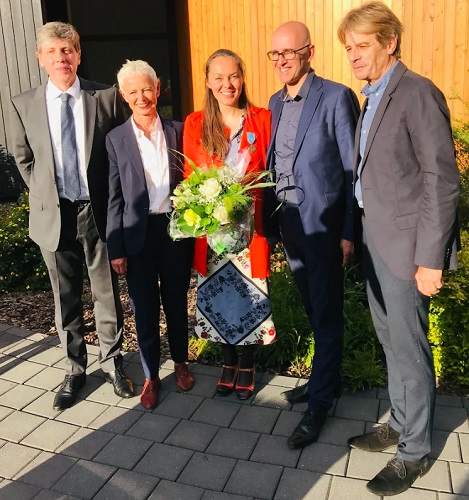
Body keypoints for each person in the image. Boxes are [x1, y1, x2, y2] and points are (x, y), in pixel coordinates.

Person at [337, 2, 460, 496]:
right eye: (348, 48)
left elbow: (442, 181)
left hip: (408, 247)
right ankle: (401, 422)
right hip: (375, 236)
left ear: (390, 42)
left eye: (362, 46)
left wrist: (431, 257)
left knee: (409, 346)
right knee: (391, 340)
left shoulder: (417, 93)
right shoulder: (374, 95)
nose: (353, 56)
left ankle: (414, 452)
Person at [10, 22, 134, 411]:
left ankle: (112, 362)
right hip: (55, 214)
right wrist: (46, 195)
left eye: (67, 50)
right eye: (53, 52)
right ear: (40, 58)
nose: (61, 58)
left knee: (106, 293)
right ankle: (75, 367)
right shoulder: (22, 103)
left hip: (97, 213)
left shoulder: (105, 97)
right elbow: (22, 157)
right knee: (65, 297)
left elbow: (119, 154)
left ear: (78, 55)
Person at [263, 21, 359, 448]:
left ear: (309, 52)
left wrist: (348, 232)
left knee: (325, 311)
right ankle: (327, 382)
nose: (282, 61)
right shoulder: (275, 102)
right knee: (310, 304)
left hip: (321, 223)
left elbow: (353, 171)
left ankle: (320, 403)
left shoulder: (336, 97)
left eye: (289, 52)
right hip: (288, 221)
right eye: (275, 54)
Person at [183, 49, 275, 400]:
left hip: (251, 232)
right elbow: (191, 175)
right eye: (218, 77)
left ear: (243, 77)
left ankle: (248, 362)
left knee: (250, 295)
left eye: (233, 76)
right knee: (219, 295)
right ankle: (227, 360)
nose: (227, 84)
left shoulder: (262, 120)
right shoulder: (195, 123)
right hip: (212, 231)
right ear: (208, 81)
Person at [106, 60, 195, 409]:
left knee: (175, 302)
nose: (141, 97)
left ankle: (182, 363)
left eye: (147, 89)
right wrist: (116, 247)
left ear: (158, 88)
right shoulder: (115, 139)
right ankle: (151, 377)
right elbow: (114, 198)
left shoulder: (179, 130)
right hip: (136, 236)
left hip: (174, 229)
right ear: (123, 96)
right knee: (144, 309)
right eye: (133, 92)